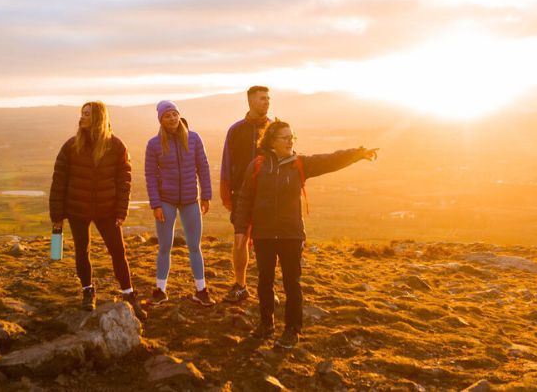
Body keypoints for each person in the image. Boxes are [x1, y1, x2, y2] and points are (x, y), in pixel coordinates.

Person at [234, 119, 378, 348]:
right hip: (264, 235)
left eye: (293, 137)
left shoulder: (300, 164)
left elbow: (330, 160)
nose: (291, 140)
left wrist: (357, 153)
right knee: (265, 281)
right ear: (272, 140)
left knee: (292, 283)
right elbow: (245, 199)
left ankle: (292, 329)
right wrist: (241, 230)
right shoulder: (258, 165)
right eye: (286, 137)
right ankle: (266, 324)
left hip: (291, 234)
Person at [49, 101, 146, 320]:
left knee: (118, 252)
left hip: (107, 209)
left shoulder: (116, 146)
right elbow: (59, 182)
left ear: (99, 118)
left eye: (86, 114)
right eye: (81, 114)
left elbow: (124, 182)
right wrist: (57, 216)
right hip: (77, 209)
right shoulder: (71, 146)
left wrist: (121, 210)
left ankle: (129, 294)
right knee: (82, 251)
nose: (81, 118)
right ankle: (87, 291)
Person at [145, 100, 215, 306]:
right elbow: (150, 175)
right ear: (161, 120)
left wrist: (206, 196)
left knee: (194, 246)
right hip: (166, 201)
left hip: (191, 200)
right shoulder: (154, 144)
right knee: (164, 246)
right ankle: (160, 290)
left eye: (174, 114)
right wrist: (155, 205)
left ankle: (201, 291)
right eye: (167, 116)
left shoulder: (193, 139)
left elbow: (203, 167)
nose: (172, 118)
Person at [220, 86, 271, 303]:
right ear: (250, 102)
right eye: (262, 99)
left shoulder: (274, 130)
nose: (266, 102)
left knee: (267, 244)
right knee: (240, 241)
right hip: (241, 195)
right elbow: (226, 164)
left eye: (268, 98)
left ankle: (267, 288)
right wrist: (226, 196)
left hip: (269, 196)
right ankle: (240, 285)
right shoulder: (235, 130)